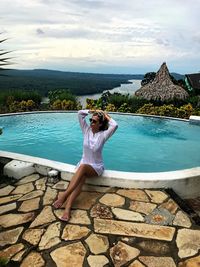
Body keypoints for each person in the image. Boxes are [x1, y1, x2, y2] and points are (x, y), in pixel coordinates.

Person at [53, 109, 118, 221]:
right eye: (91, 120)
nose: (91, 123)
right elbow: (80, 113)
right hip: (83, 164)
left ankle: (63, 196)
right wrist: (94, 110)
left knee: (82, 168)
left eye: (94, 121)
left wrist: (104, 114)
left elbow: (115, 125)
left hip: (96, 167)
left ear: (100, 124)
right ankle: (67, 210)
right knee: (80, 179)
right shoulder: (86, 130)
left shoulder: (103, 135)